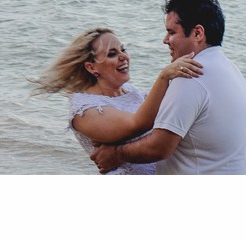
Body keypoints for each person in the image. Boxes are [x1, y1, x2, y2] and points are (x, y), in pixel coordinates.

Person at [91, 0, 246, 174]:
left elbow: (158, 147)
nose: (165, 40)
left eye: (171, 32)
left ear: (197, 33)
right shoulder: (229, 68)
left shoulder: (191, 74)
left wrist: (116, 154)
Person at [33, 26, 203, 174]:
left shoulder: (132, 92)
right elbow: (136, 124)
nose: (123, 57)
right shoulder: (84, 109)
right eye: (112, 54)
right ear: (91, 67)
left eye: (123, 50)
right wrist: (164, 77)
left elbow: (168, 115)